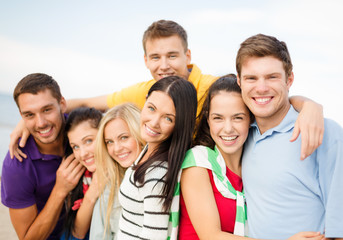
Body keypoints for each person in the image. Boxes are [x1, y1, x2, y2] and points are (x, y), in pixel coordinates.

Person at [10, 20, 324, 161]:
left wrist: (309, 106)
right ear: (145, 60)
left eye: (172, 55)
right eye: (156, 57)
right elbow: (86, 102)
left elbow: (261, 96)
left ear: (188, 56)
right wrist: (30, 119)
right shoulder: (148, 91)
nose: (164, 65)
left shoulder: (214, 87)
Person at [178, 75, 324, 240]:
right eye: (218, 118)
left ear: (251, 119)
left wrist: (311, 107)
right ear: (208, 120)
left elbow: (282, 103)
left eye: (238, 118)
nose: (227, 129)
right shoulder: (198, 162)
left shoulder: (254, 160)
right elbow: (211, 236)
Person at [236, 34, 343, 239]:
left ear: (289, 79)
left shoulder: (325, 132)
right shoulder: (241, 134)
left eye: (272, 77)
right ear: (239, 81)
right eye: (251, 78)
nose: (261, 88)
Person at [1, 73, 84, 240]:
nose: (41, 123)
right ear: (21, 116)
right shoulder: (17, 165)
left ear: (62, 103)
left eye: (47, 110)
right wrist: (60, 191)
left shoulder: (83, 130)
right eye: (29, 115)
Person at [117, 76, 197, 239]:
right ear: (145, 101)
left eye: (168, 118)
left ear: (179, 125)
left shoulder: (157, 175)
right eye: (151, 108)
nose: (154, 122)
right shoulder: (148, 150)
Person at [90, 103, 145, 239]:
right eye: (109, 142)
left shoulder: (164, 173)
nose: (116, 148)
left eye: (124, 137)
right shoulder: (110, 185)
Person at [61, 107, 103, 240]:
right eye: (76, 147)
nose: (82, 154)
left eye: (89, 141)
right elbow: (77, 233)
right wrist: (94, 189)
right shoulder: (82, 177)